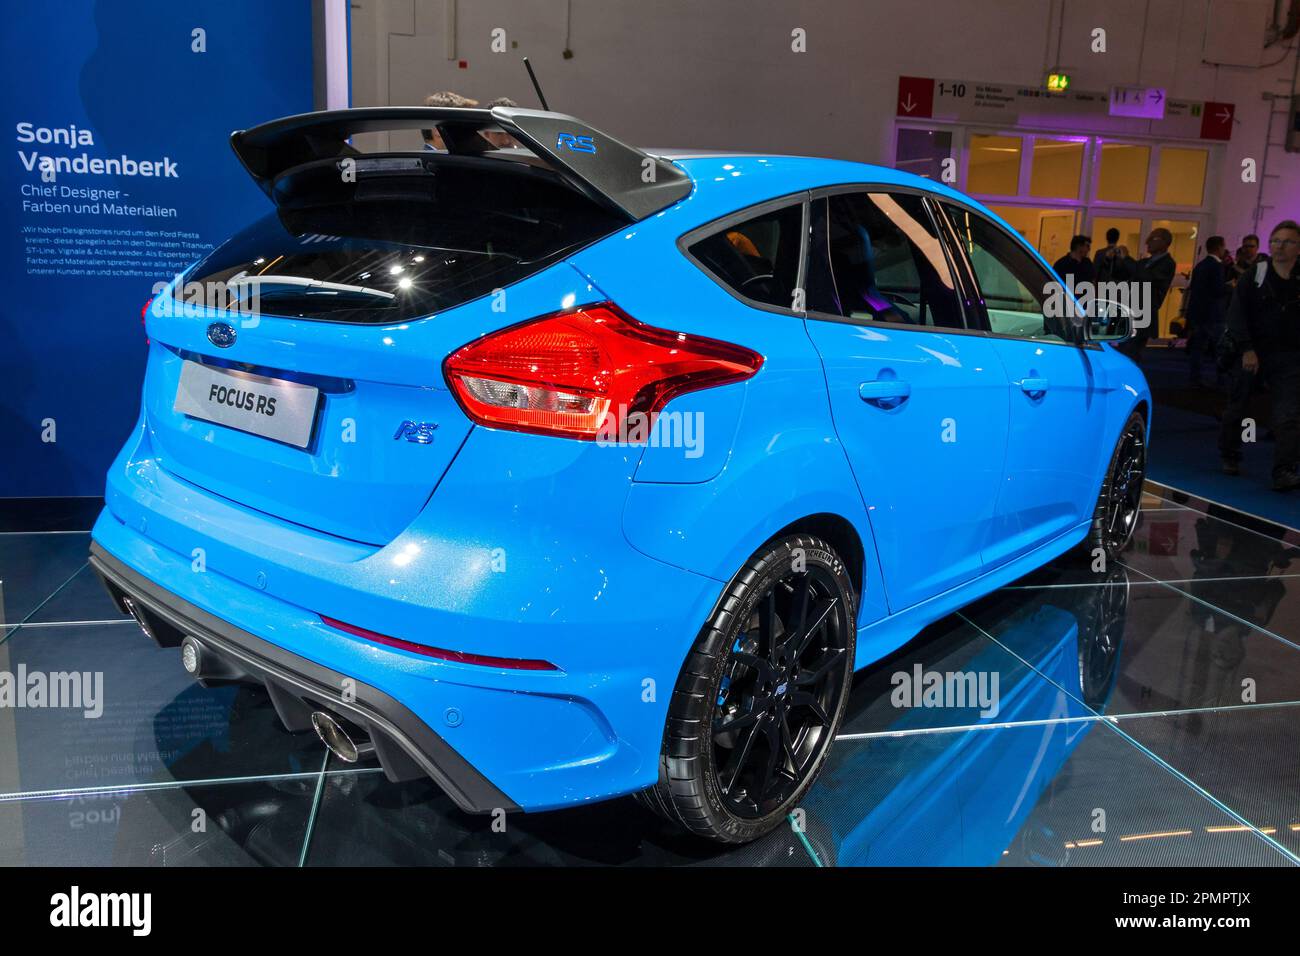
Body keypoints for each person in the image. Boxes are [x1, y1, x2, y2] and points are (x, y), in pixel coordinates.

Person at [1219, 220, 1300, 489]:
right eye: (1276, 241)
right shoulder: (1255, 275)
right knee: (1238, 406)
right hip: (1252, 353)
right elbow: (1237, 314)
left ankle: (1284, 470)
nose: (1280, 246)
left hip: (1289, 357)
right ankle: (1230, 455)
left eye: (1287, 241)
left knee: (1288, 414)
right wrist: (1247, 349)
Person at [1119, 227, 1175, 364]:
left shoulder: (1167, 264)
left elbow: (1145, 277)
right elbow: (1127, 273)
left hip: (1144, 312)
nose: (1147, 242)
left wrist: (1127, 258)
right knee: (1124, 350)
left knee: (1131, 351)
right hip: (1131, 310)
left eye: (1152, 239)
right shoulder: (1145, 262)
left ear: (1164, 243)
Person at [1182, 235, 1230, 386]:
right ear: (1219, 247)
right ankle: (1221, 380)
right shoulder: (1217, 267)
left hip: (1199, 314)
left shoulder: (1200, 266)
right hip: (1214, 315)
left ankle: (1195, 378)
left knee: (1198, 348)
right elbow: (1217, 290)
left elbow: (1195, 290)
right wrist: (1229, 287)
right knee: (1219, 349)